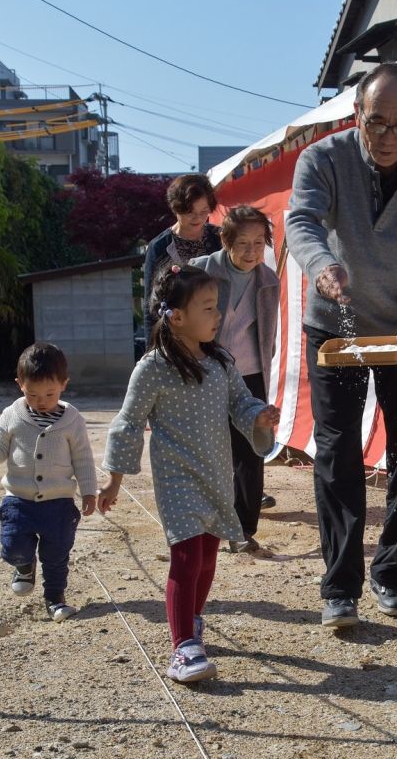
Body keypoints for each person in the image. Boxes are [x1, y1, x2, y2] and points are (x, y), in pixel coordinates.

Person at [286, 62, 397, 629]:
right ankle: (340, 586)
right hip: (334, 321)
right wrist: (320, 264)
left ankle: (393, 574)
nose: (387, 136)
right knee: (337, 449)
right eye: (377, 121)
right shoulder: (322, 158)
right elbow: (303, 222)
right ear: (356, 113)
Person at [97, 264, 279, 683]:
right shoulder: (152, 368)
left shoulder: (220, 362)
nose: (218, 316)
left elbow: (241, 402)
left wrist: (259, 417)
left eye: (217, 307)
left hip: (217, 473)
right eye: (210, 308)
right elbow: (127, 424)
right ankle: (182, 649)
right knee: (186, 555)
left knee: (209, 555)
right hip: (177, 477)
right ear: (176, 316)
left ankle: (192, 623)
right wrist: (114, 480)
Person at [0, 342, 96, 622]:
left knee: (56, 555)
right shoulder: (11, 414)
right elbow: (0, 449)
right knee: (13, 545)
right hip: (18, 499)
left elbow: (84, 459)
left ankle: (55, 598)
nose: (41, 400)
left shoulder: (72, 420)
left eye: (50, 394)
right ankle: (24, 564)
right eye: (32, 394)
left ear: (64, 384)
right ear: (19, 385)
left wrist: (89, 492)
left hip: (59, 504)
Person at [191, 205, 280, 553]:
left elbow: (267, 330)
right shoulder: (202, 271)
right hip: (205, 372)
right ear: (226, 240)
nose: (251, 252)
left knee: (251, 450)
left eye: (259, 243)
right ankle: (203, 520)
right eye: (242, 243)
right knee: (210, 449)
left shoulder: (268, 279)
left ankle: (243, 528)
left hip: (249, 374)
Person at [143, 173, 221, 347]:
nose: (198, 218)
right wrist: (153, 350)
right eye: (190, 212)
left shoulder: (220, 238)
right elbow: (151, 305)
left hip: (217, 334)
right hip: (177, 340)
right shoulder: (159, 247)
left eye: (204, 212)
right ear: (175, 208)